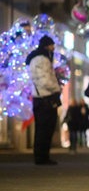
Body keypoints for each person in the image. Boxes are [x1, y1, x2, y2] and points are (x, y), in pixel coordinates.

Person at [26, 35, 61, 165]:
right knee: (44, 129)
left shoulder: (41, 58)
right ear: (47, 46)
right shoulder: (41, 59)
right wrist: (56, 88)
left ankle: (42, 156)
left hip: (41, 98)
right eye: (52, 45)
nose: (53, 48)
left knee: (43, 129)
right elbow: (44, 80)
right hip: (45, 98)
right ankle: (41, 157)